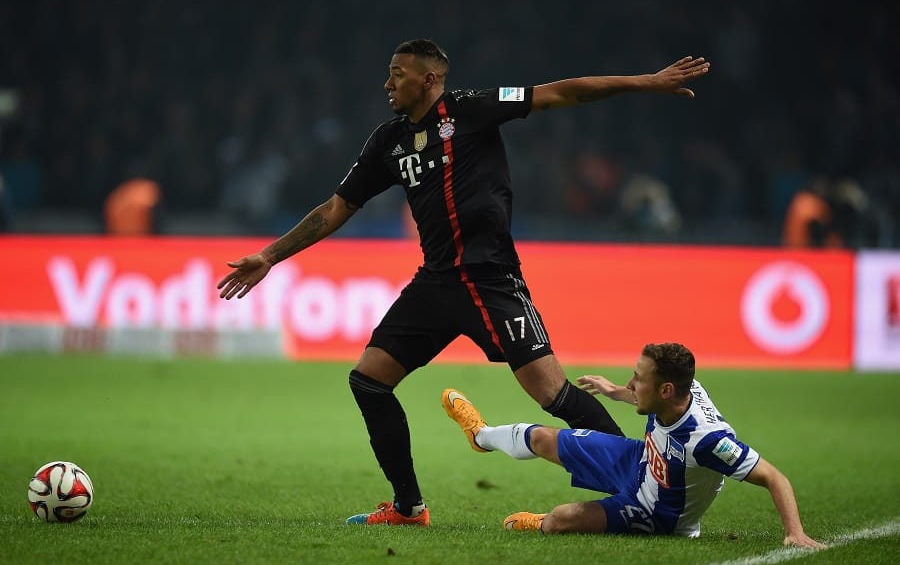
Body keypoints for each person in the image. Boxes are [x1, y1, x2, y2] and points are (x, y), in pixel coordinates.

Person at [216, 39, 711, 526]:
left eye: (398, 73)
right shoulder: (387, 142)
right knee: (368, 381)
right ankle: (409, 508)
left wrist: (647, 82)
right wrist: (270, 255)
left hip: (491, 278)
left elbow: (564, 92)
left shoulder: (472, 110)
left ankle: (637, 490)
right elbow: (334, 210)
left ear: (429, 78)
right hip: (435, 284)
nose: (388, 83)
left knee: (555, 395)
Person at [441, 342, 827, 549]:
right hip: (638, 462)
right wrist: (613, 392)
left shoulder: (708, 441)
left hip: (656, 513)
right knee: (542, 436)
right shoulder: (673, 396)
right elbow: (646, 401)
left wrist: (794, 532)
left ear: (666, 389)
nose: (630, 383)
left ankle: (541, 523)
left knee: (561, 519)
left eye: (638, 379)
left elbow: (775, 477)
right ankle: (480, 436)